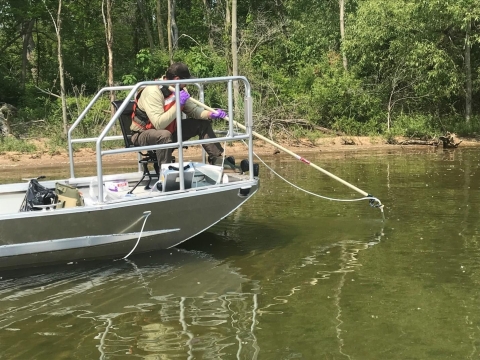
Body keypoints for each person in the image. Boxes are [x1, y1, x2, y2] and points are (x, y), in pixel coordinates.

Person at [130, 62, 236, 170]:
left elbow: (194, 111)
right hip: (143, 134)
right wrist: (178, 104)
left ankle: (217, 160)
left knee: (202, 124)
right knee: (164, 135)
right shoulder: (153, 91)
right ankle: (165, 173)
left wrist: (210, 114)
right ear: (176, 79)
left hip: (170, 131)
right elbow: (159, 124)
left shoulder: (180, 90)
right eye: (185, 81)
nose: (187, 84)